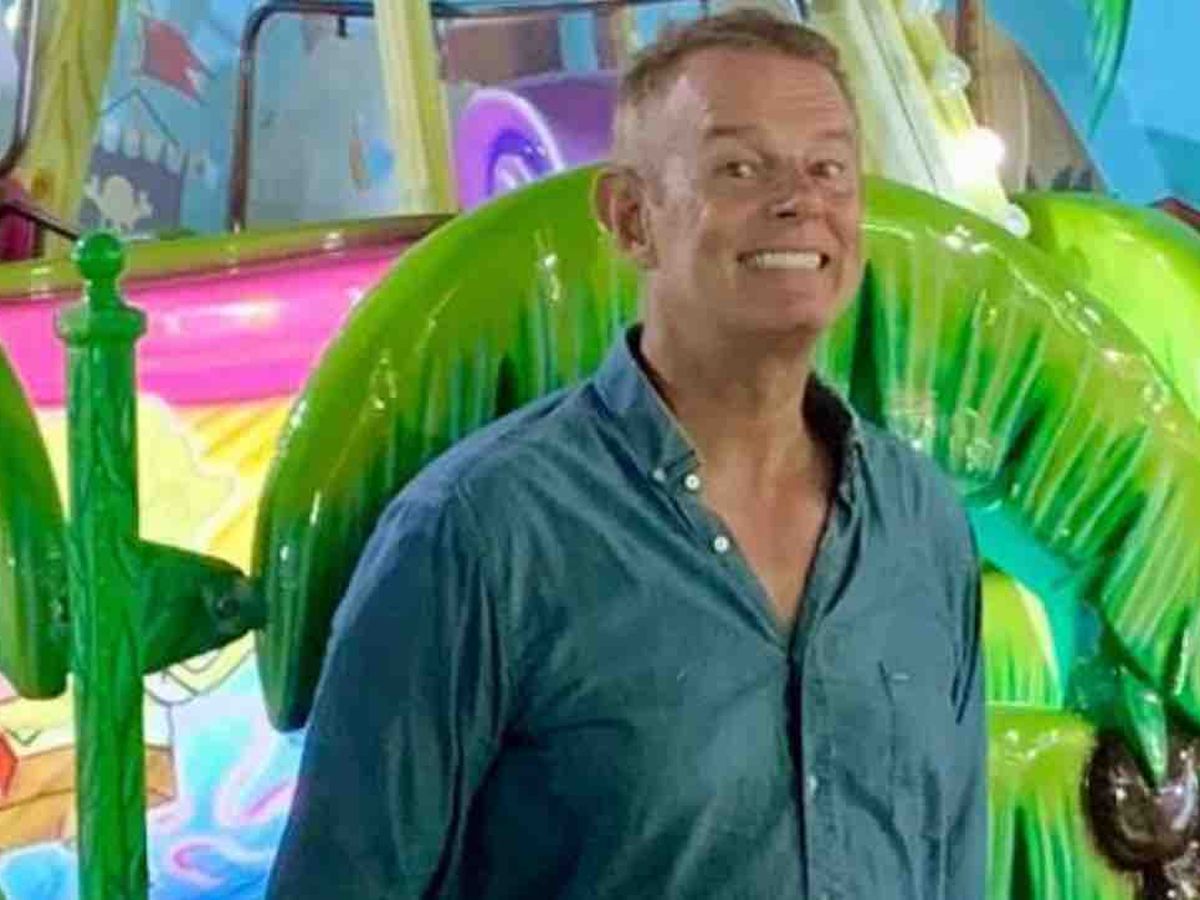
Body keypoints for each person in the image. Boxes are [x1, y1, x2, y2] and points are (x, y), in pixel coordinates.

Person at [267, 10, 986, 899]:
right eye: (739, 168)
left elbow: (955, 864)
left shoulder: (920, 522)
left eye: (828, 167)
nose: (799, 200)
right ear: (631, 218)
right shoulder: (478, 538)